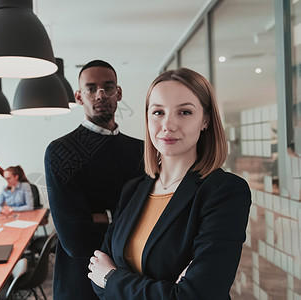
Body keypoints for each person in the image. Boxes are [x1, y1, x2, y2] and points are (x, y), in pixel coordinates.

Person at [88, 68, 252, 299]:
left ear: (205, 120)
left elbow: (197, 295)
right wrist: (165, 289)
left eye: (184, 112)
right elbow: (97, 273)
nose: (168, 125)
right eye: (158, 112)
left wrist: (112, 278)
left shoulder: (224, 192)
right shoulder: (133, 189)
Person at [45, 60, 144, 299]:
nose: (100, 95)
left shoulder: (141, 150)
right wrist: (121, 217)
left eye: (108, 87)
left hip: (132, 280)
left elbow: (150, 217)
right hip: (80, 281)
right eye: (91, 89)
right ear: (79, 97)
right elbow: (75, 237)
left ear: (118, 93)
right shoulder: (61, 151)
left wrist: (102, 217)